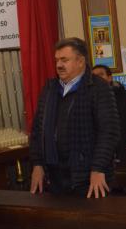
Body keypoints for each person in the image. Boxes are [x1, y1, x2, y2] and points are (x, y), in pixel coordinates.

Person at [29, 38, 120, 197]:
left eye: (64, 60)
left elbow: (109, 132)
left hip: (87, 178)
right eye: (57, 60)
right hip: (54, 177)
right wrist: (38, 164)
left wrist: (98, 168)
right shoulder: (50, 88)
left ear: (80, 61)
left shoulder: (98, 88)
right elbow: (37, 130)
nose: (59, 65)